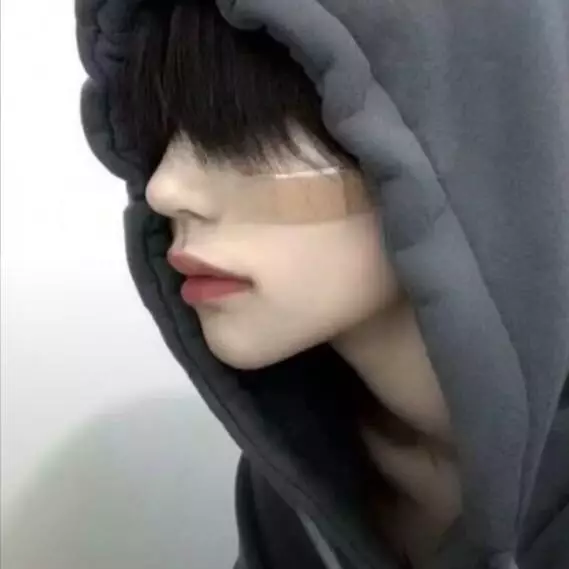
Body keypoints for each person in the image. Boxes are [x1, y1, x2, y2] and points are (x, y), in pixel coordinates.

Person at [75, 1, 569, 568]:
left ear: (460, 135)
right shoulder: (296, 476)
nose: (164, 189)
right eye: (165, 127)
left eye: (242, 123)